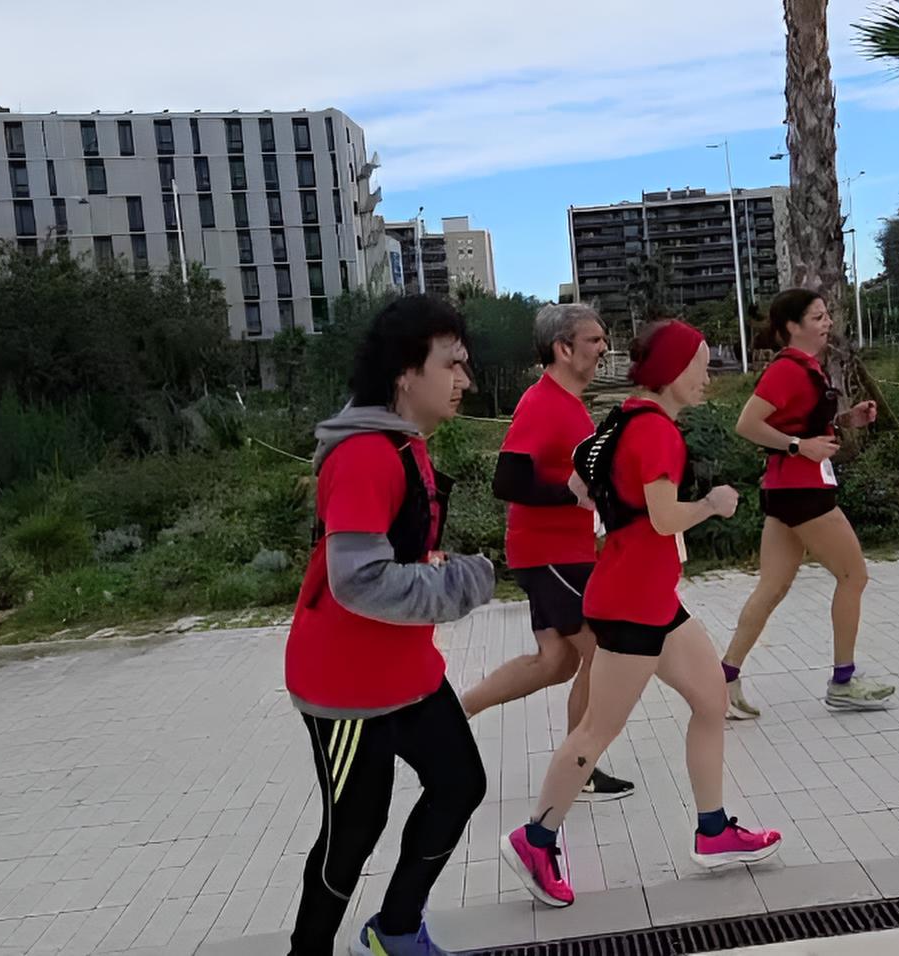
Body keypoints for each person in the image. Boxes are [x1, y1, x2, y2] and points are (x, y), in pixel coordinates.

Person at [502, 319, 783, 909]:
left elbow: (581, 479)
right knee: (597, 731)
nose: (708, 376)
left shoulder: (623, 417)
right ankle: (535, 839)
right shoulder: (656, 432)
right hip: (632, 604)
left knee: (710, 699)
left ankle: (714, 832)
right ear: (675, 370)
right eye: (702, 364)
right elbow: (661, 518)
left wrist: (618, 513)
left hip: (650, 596)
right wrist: (711, 504)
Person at [283, 296, 496, 956]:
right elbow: (359, 581)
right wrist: (463, 580)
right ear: (407, 371)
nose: (466, 380)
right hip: (345, 685)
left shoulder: (407, 446)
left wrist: (432, 567)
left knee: (460, 783)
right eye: (453, 365)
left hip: (406, 671)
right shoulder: (368, 456)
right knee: (353, 828)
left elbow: (390, 556)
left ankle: (396, 929)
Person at [459, 304, 635, 801]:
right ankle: (578, 767)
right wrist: (571, 494)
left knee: (556, 661)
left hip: (567, 549)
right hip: (549, 553)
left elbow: (572, 474)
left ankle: (455, 709)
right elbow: (508, 479)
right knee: (600, 651)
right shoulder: (543, 403)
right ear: (563, 348)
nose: (604, 349)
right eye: (594, 340)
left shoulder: (571, 404)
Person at [718, 289, 894, 719]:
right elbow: (747, 424)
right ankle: (843, 682)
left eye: (826, 314)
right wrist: (799, 447)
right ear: (792, 327)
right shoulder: (787, 369)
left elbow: (801, 421)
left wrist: (846, 420)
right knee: (854, 576)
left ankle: (723, 680)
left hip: (786, 491)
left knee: (773, 587)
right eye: (816, 316)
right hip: (802, 491)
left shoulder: (806, 368)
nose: (826, 321)